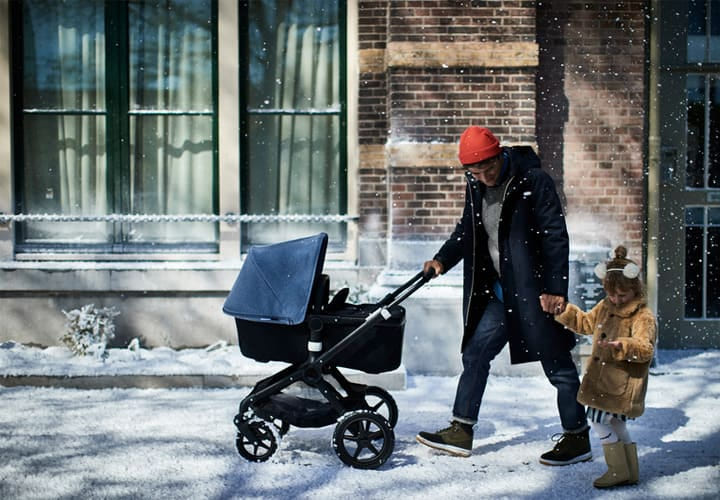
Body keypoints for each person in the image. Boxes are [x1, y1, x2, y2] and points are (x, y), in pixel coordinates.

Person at [415, 125, 590, 465]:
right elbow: (468, 230)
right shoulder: (476, 185)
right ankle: (461, 430)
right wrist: (442, 259)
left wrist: (555, 289)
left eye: (488, 168)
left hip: (534, 291)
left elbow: (555, 235)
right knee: (476, 354)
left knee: (558, 365)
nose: (484, 177)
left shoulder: (532, 181)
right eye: (475, 172)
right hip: (499, 291)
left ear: (500, 155)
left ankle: (577, 437)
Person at [554, 245, 656, 488]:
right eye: (612, 295)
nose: (616, 300)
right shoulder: (605, 307)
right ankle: (629, 471)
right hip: (602, 381)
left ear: (635, 289)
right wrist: (565, 312)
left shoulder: (643, 316)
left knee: (599, 421)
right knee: (615, 423)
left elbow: (645, 348)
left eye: (622, 296)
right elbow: (586, 323)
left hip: (619, 383)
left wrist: (623, 345)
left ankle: (617, 469)